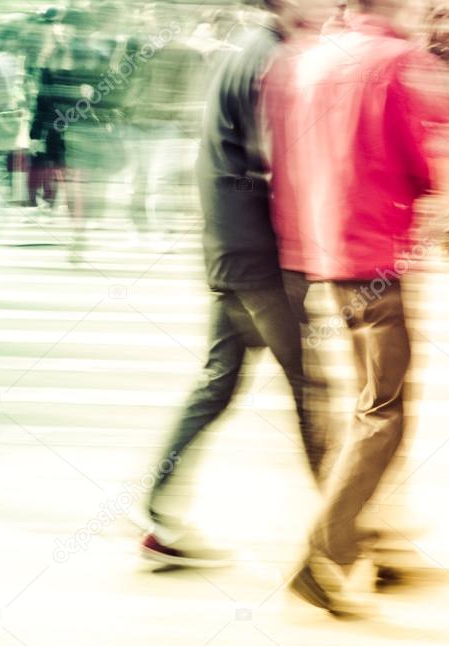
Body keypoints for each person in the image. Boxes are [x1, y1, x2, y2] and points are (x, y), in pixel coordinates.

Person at [265, 0, 449, 616]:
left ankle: (361, 544)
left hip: (324, 250)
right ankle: (324, 553)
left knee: (368, 402)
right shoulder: (399, 61)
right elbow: (425, 165)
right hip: (377, 253)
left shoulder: (309, 60)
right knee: (383, 410)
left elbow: (287, 161)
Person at [138, 0, 329, 568]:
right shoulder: (270, 59)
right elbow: (280, 165)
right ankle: (350, 527)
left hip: (233, 248)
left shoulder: (250, 51)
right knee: (310, 387)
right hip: (260, 256)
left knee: (220, 380)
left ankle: (160, 517)